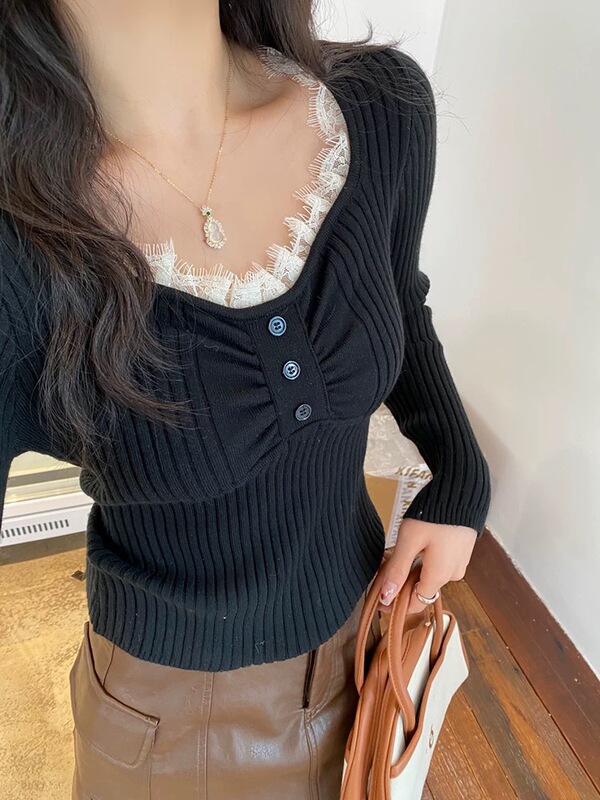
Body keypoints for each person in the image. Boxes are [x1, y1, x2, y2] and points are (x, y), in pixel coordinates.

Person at [0, 1, 491, 798]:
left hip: (366, 651)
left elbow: (399, 296)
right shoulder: (17, 246)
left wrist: (460, 474)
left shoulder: (381, 109)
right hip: (175, 730)